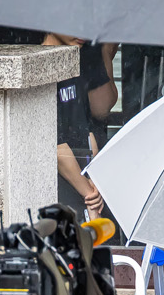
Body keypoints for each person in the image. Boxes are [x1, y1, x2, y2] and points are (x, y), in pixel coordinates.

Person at [48, 32, 117, 218]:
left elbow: (88, 128)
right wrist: (89, 192)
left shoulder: (75, 60)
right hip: (60, 184)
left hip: (82, 176)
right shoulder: (42, 69)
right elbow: (53, 145)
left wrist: (94, 181)